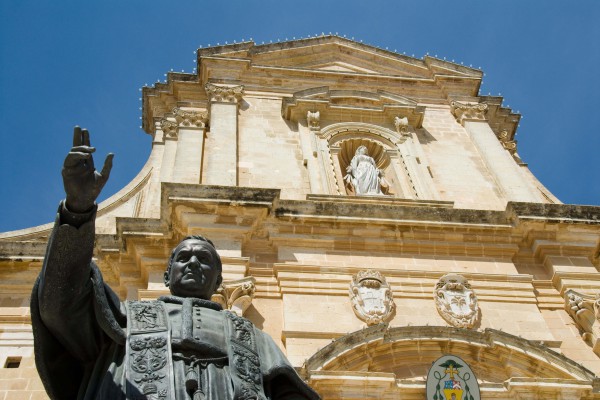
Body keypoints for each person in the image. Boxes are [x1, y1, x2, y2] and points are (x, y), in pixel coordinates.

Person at [31, 127, 320, 400]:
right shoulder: (123, 317)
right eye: (183, 257)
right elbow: (59, 302)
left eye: (204, 260)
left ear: (219, 281)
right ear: (167, 275)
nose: (193, 262)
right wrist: (78, 210)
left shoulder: (255, 339)